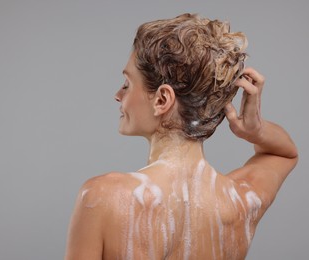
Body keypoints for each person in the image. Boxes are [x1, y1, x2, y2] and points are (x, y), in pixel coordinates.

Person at [64, 13, 298, 260]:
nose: (118, 95)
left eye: (127, 83)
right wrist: (256, 131)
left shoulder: (103, 198)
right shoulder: (240, 202)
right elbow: (284, 153)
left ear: (162, 99)